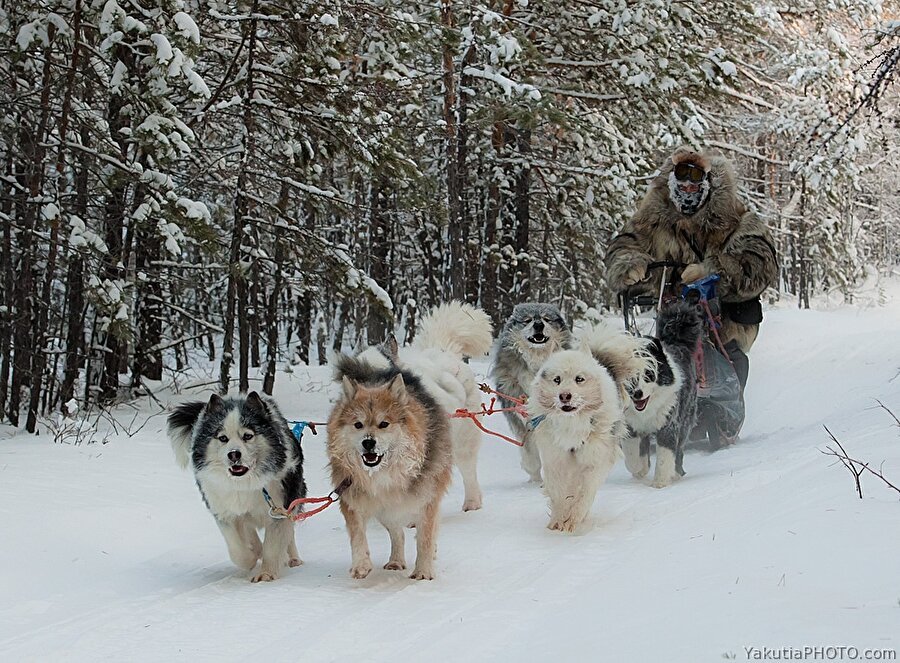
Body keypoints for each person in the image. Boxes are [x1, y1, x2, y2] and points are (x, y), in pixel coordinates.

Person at [605, 146, 778, 442]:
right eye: (681, 184)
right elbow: (624, 246)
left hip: (723, 317)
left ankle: (721, 415)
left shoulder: (736, 218)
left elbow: (760, 263)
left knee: (722, 354)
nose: (687, 190)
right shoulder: (651, 218)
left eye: (694, 184)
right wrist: (629, 265)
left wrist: (713, 271)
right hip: (667, 310)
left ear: (707, 186)